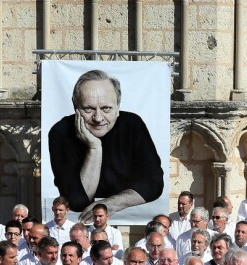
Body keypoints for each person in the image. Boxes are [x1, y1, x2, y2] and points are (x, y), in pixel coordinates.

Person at [48, 69, 164, 219]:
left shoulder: (132, 125)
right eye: (88, 109)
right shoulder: (60, 132)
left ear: (118, 106)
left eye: (106, 108)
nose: (98, 118)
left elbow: (154, 183)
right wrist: (94, 147)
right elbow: (77, 202)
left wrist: (109, 204)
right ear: (75, 106)